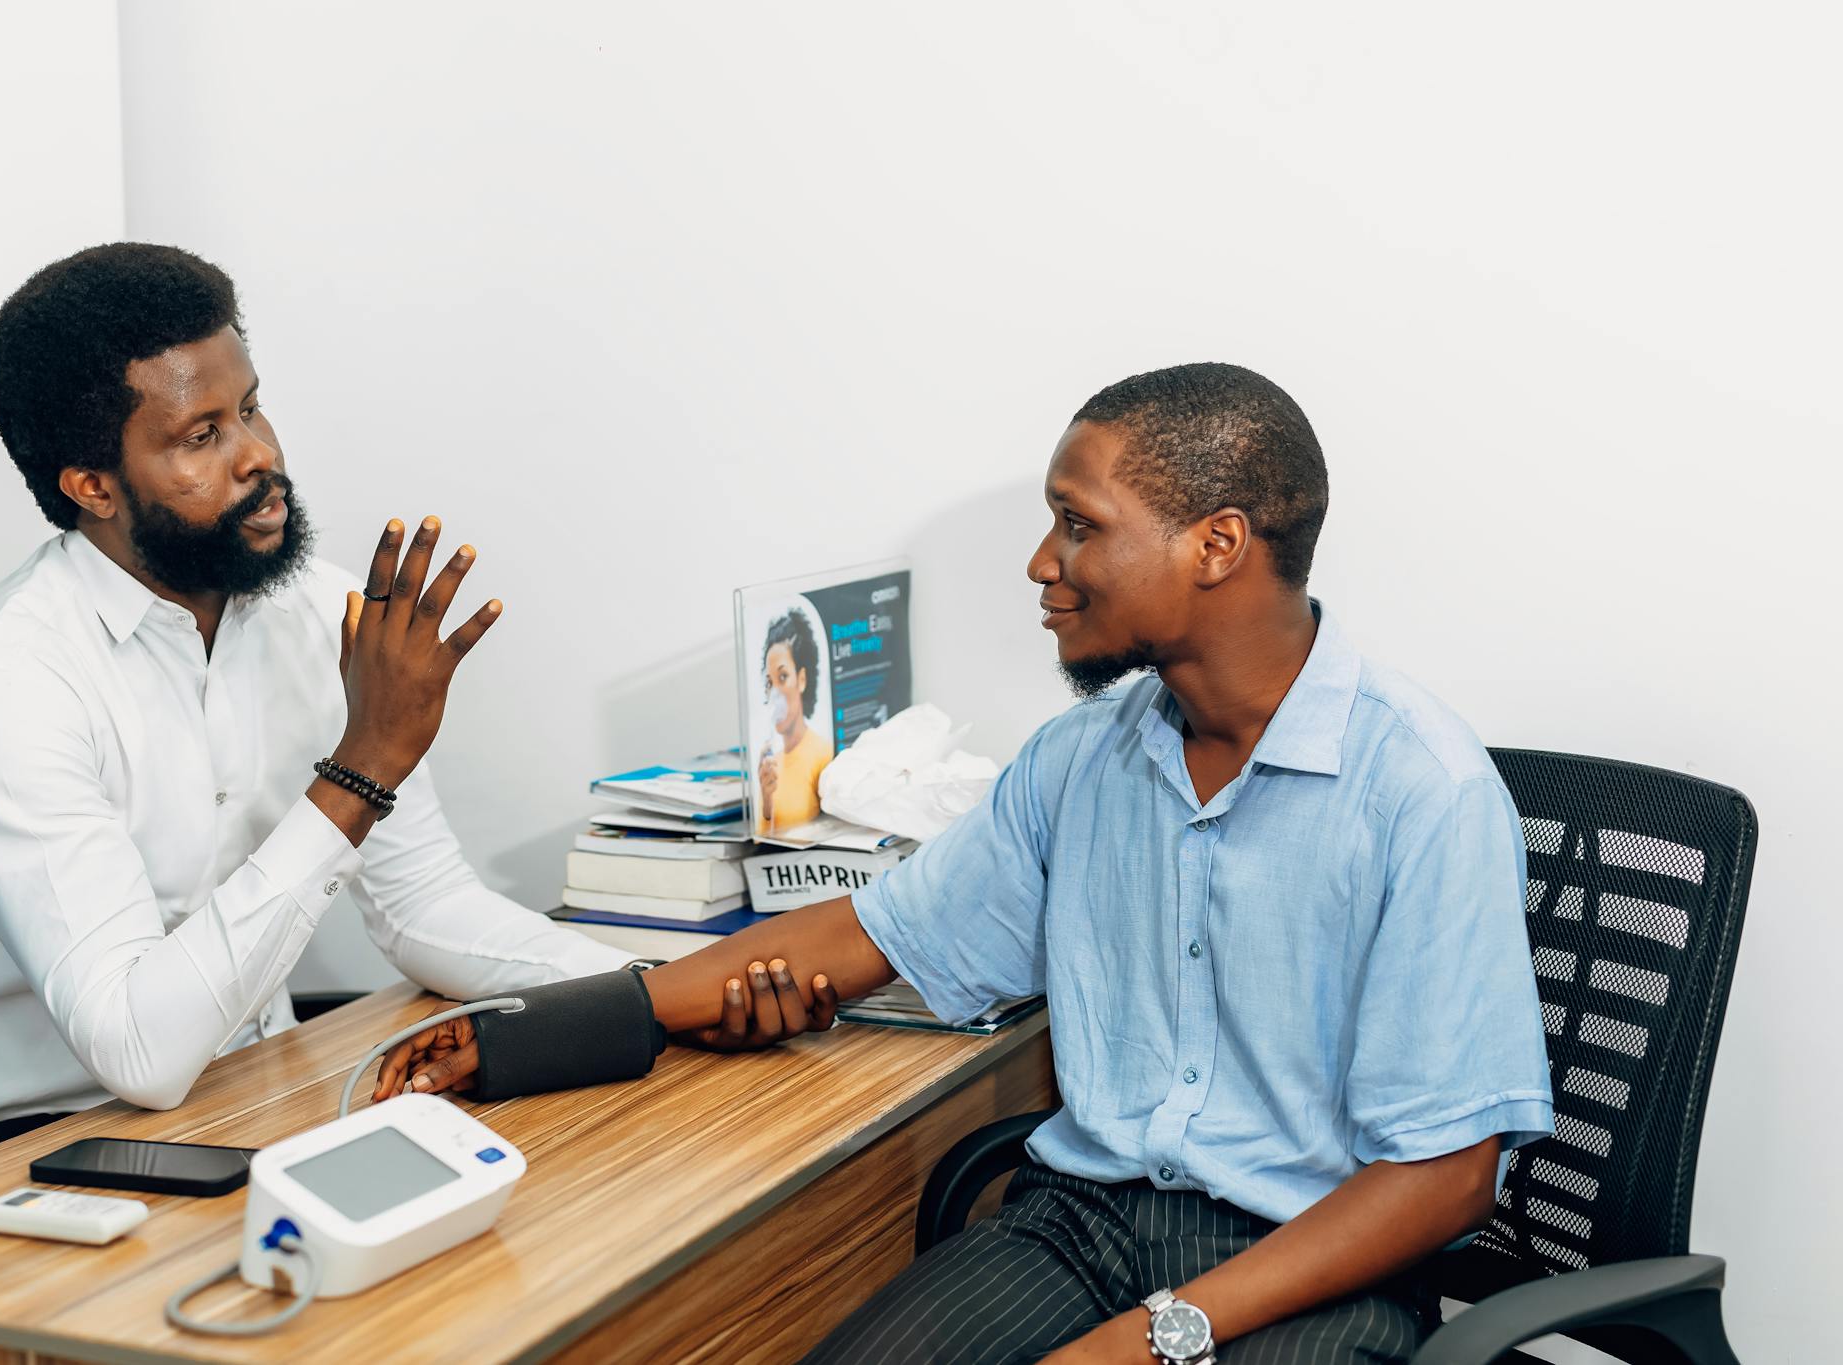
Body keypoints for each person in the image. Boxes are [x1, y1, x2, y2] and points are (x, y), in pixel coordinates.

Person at [385, 363, 1554, 1364]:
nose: (1043, 563)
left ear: (1216, 545)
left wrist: (1157, 1336)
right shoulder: (1080, 761)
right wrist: (519, 1035)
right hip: (1078, 1224)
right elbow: (853, 941)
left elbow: (1446, 1178)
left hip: (1312, 1265)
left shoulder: (1421, 791)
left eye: (1079, 523)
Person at [0, 243, 814, 1142]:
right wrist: (366, 761)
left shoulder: (314, 608)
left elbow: (425, 908)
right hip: (15, 1160)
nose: (259, 457)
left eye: (252, 409)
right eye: (203, 436)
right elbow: (139, 1049)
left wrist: (670, 987)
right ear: (93, 485)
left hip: (247, 1096)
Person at [756, 606, 833, 832]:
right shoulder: (771, 766)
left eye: (783, 677)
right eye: (770, 682)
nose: (775, 693)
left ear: (801, 679)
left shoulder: (822, 754)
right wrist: (766, 801)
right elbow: (764, 838)